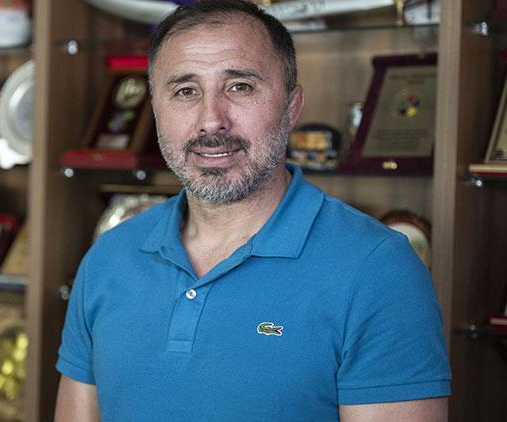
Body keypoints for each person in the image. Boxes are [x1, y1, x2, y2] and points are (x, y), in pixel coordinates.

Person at [55, 1, 451, 420]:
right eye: (185, 91)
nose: (211, 121)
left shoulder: (378, 269)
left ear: (292, 106)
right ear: (156, 109)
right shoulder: (108, 258)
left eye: (240, 86)